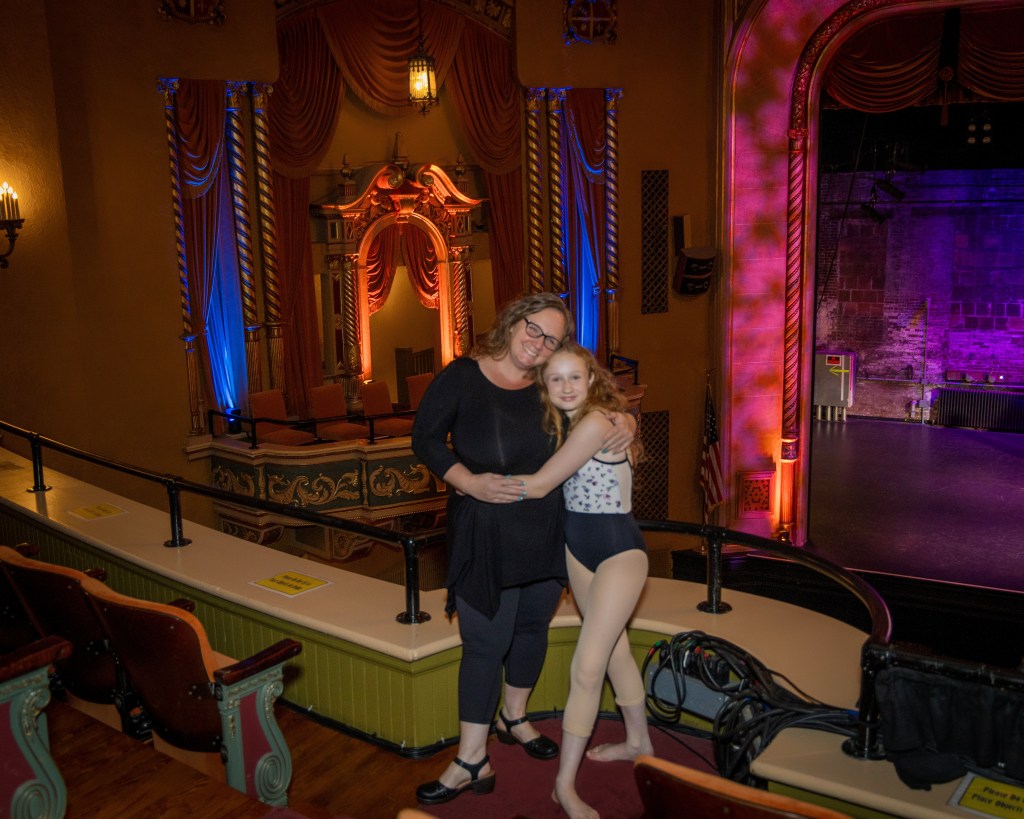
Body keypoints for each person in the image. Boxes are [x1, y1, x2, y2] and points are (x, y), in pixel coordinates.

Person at [411, 293, 635, 806]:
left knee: (532, 625)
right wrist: (467, 481)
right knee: (485, 643)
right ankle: (472, 757)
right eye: (533, 329)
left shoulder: (548, 382)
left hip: (547, 528)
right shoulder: (462, 375)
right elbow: (425, 439)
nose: (538, 344)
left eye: (551, 339)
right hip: (483, 529)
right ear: (512, 321)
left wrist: (626, 421)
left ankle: (515, 716)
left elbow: (597, 402)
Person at [510, 341, 653, 819]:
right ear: (544, 387)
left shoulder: (596, 422)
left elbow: (545, 483)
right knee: (615, 652)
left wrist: (473, 483)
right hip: (578, 550)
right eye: (556, 379)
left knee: (587, 669)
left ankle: (563, 786)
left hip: (618, 551)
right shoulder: (568, 423)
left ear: (591, 380)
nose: (567, 387)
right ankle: (638, 741)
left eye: (576, 377)